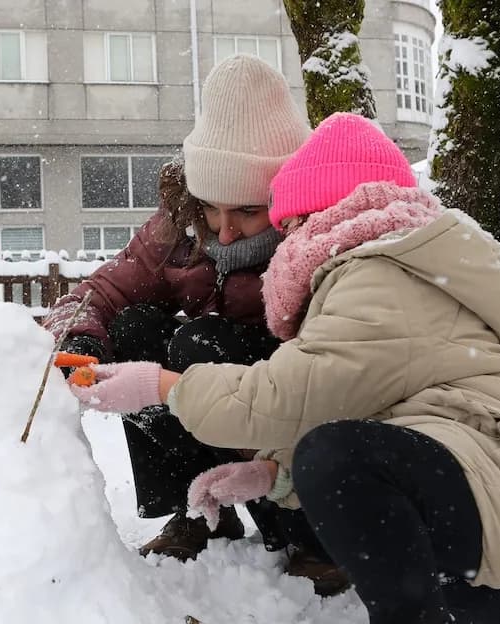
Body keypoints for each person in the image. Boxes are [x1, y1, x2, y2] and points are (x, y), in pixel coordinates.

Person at [69, 113, 500, 624]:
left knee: (336, 458)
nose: (287, 238)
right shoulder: (390, 264)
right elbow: (365, 405)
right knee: (334, 455)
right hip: (497, 477)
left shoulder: (378, 278)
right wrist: (273, 474)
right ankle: (485, 614)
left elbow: (288, 395)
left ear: (326, 214)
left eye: (290, 222)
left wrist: (162, 386)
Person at [43, 54, 325, 571]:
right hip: (202, 393)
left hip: (285, 399)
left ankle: (308, 534)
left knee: (198, 344)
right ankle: (192, 510)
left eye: (246, 209)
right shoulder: (178, 227)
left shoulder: (318, 238)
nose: (223, 230)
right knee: (135, 328)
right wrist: (76, 344)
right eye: (211, 206)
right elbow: (99, 294)